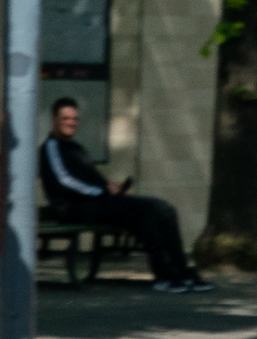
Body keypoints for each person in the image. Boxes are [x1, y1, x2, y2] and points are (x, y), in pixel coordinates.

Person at [40, 96, 210, 292]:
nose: (71, 123)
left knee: (163, 211)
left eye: (74, 119)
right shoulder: (50, 147)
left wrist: (111, 187)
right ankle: (166, 275)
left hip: (96, 203)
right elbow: (64, 181)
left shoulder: (77, 148)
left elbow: (91, 180)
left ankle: (180, 273)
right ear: (54, 120)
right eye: (65, 119)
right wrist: (103, 190)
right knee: (151, 209)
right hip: (74, 209)